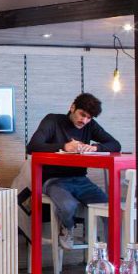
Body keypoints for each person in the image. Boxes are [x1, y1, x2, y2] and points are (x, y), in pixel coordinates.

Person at [26, 93, 121, 249]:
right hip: (53, 180)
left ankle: (113, 253)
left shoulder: (90, 125)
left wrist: (96, 147)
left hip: (81, 180)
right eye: (82, 114)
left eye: (89, 118)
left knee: (111, 207)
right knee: (69, 205)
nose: (84, 121)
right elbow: (32, 147)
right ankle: (67, 229)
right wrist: (63, 146)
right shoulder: (53, 120)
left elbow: (115, 144)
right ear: (72, 107)